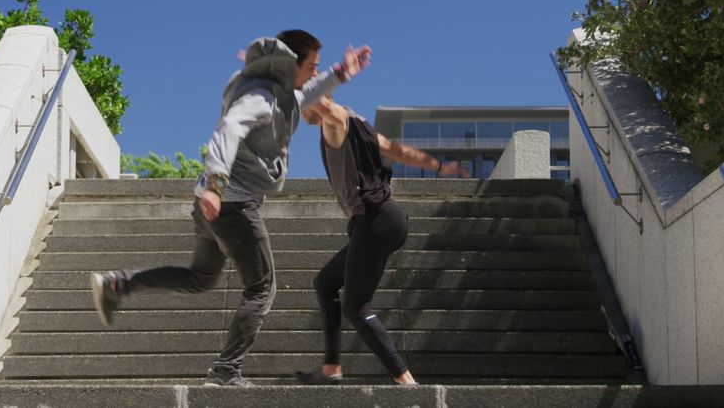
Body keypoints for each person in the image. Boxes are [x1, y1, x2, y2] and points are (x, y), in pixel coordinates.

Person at [89, 30, 372, 387]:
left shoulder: (283, 95)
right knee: (262, 288)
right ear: (291, 64)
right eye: (312, 66)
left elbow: (306, 95)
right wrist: (215, 186)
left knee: (200, 277)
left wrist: (341, 72)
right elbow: (228, 131)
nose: (316, 73)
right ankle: (225, 371)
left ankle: (118, 285)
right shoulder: (258, 98)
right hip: (229, 205)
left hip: (216, 207)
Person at [295, 95, 469, 386]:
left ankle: (406, 381)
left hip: (374, 220)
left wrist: (273, 68)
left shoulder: (335, 122)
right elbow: (398, 151)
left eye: (303, 107)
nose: (300, 114)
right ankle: (331, 367)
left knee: (356, 306)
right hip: (386, 219)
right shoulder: (363, 127)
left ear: (320, 100)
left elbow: (317, 99)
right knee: (325, 283)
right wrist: (440, 167)